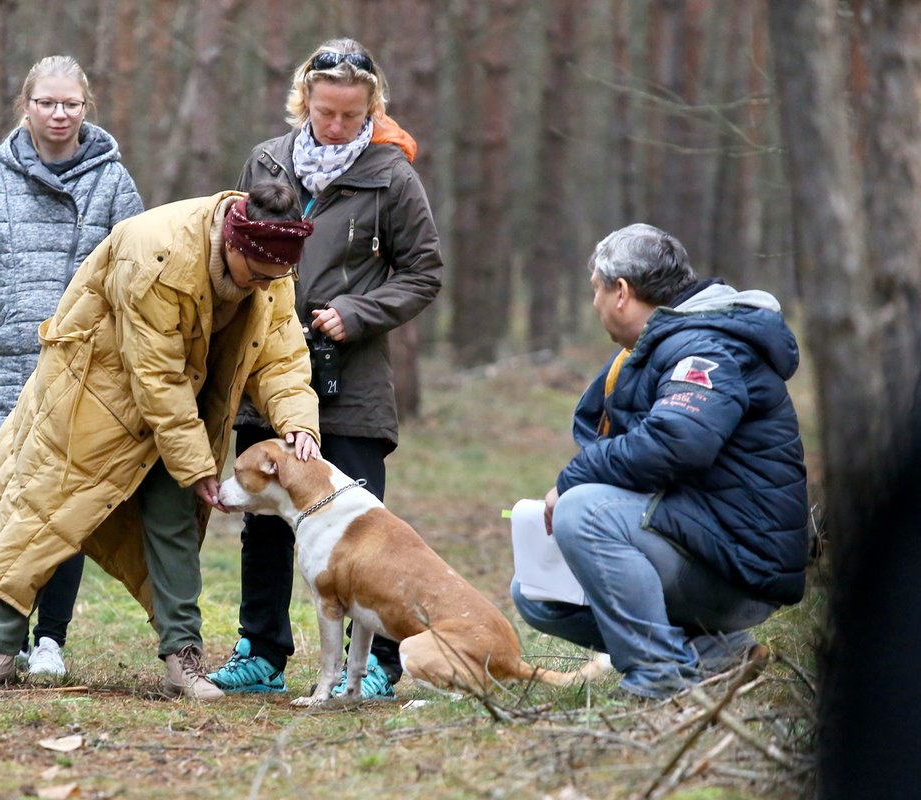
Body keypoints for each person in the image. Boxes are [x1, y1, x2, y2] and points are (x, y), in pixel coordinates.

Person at [0, 181, 321, 700]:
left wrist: (298, 421)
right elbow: (157, 376)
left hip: (180, 406)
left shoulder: (272, 263)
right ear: (234, 245)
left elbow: (281, 355)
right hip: (96, 394)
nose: (266, 286)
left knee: (173, 524)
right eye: (259, 275)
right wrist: (198, 465)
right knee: (46, 511)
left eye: (276, 277)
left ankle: (184, 660)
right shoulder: (157, 251)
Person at [208, 38, 443, 699]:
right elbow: (238, 244)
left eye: (349, 113)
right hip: (269, 368)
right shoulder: (266, 159)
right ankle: (261, 651)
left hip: (352, 381)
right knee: (263, 515)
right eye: (324, 110)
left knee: (365, 528)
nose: (335, 125)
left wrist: (362, 311)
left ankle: (380, 663)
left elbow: (425, 273)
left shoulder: (392, 176)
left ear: (372, 104)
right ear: (303, 98)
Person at [511, 223, 809, 700]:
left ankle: (659, 676)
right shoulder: (666, 345)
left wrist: (571, 481)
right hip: (702, 543)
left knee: (583, 511)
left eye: (596, 291)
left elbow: (678, 442)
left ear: (622, 293)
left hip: (739, 565)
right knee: (538, 594)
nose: (594, 305)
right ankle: (720, 653)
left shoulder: (706, 348)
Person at [0, 55, 144, 679]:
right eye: (47, 103)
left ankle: (51, 639)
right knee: (1, 501)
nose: (59, 114)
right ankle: (4, 638)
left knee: (64, 507)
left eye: (71, 104)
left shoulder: (114, 182)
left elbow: (137, 276)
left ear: (87, 108)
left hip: (82, 374)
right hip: (0, 366)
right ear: (25, 106)